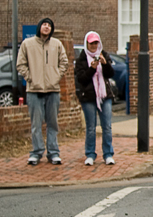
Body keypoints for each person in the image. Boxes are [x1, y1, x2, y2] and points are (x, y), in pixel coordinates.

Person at [17, 18, 69, 165]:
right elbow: (20, 64)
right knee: (36, 124)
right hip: (34, 90)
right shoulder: (28, 44)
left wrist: (56, 77)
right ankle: (36, 152)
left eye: (49, 25)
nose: (47, 27)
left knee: (52, 123)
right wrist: (30, 78)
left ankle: (53, 153)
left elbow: (64, 62)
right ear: (39, 27)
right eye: (44, 25)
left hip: (53, 90)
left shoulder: (57, 44)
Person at [74, 31, 116, 166]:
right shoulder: (82, 58)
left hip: (105, 96)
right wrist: (91, 68)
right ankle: (90, 154)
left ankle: (108, 154)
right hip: (89, 97)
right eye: (91, 43)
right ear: (87, 43)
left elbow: (110, 74)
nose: (93, 45)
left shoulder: (104, 55)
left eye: (95, 42)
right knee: (91, 127)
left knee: (107, 126)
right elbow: (81, 79)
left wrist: (104, 64)